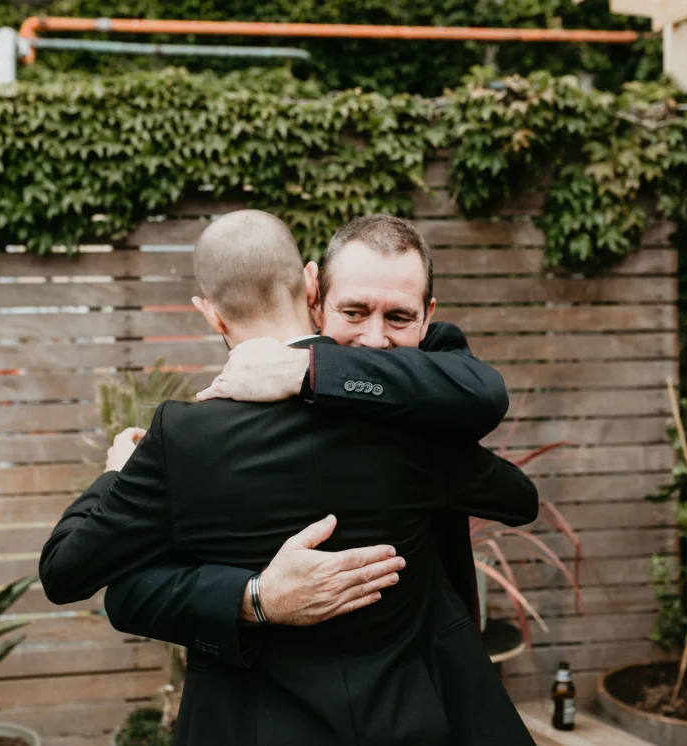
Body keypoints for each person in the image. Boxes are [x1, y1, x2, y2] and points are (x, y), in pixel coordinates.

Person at [40, 210, 538, 746]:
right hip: (407, 716)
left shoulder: (183, 440)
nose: (375, 341)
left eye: (398, 318)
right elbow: (516, 496)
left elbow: (74, 574)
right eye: (356, 311)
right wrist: (256, 597)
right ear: (312, 289)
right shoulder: (410, 424)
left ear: (210, 314)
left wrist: (116, 475)